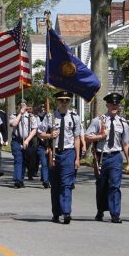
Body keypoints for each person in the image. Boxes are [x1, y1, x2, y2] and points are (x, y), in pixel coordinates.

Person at [85, 92, 129, 224]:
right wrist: (101, 136)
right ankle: (100, 210)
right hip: (101, 157)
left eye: (116, 104)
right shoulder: (98, 120)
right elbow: (87, 136)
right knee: (101, 186)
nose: (114, 106)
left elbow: (126, 143)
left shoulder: (123, 123)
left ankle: (115, 214)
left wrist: (128, 162)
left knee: (115, 186)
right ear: (107, 104)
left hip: (116, 157)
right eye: (111, 104)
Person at [38, 91, 81, 224]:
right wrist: (49, 135)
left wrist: (77, 158)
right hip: (54, 153)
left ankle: (67, 212)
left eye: (66, 100)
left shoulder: (75, 117)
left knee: (67, 184)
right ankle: (56, 213)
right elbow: (40, 133)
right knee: (55, 185)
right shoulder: (50, 117)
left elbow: (77, 138)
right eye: (61, 100)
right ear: (56, 101)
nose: (64, 103)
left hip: (68, 153)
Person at [9, 100, 37, 188]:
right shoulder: (13, 116)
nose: (22, 107)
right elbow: (13, 124)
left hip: (27, 141)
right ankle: (17, 180)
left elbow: (34, 129)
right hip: (16, 140)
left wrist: (27, 140)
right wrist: (20, 114)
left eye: (23, 105)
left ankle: (21, 179)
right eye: (20, 105)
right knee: (18, 159)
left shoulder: (31, 116)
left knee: (25, 161)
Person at [35, 104, 50, 188]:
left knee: (49, 164)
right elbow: (39, 133)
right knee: (44, 163)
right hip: (41, 145)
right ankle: (45, 181)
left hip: (50, 146)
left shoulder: (51, 120)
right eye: (41, 107)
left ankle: (47, 178)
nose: (43, 109)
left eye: (44, 108)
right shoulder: (37, 118)